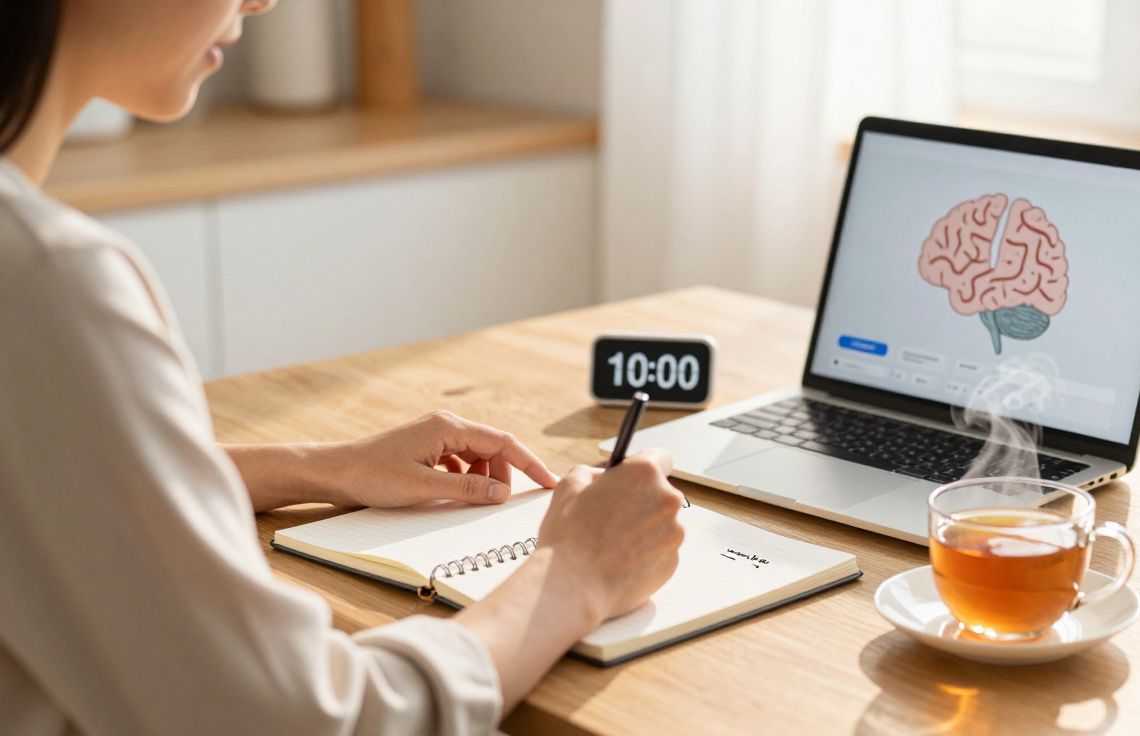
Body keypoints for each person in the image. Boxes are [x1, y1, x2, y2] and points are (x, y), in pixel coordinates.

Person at [0, 2, 686, 734]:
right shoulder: (44, 283)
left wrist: (319, 466)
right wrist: (576, 574)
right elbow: (297, 721)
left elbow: (42, 476)